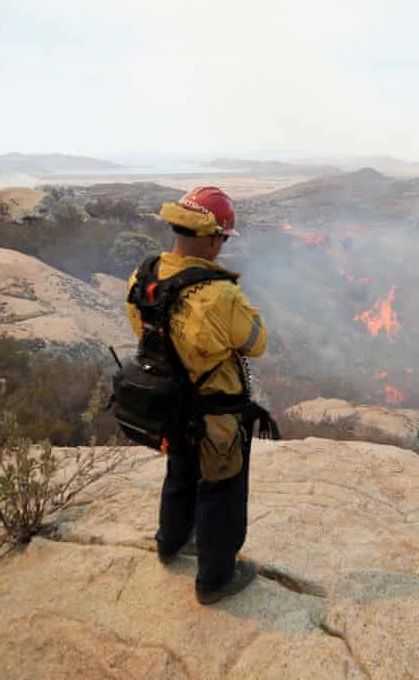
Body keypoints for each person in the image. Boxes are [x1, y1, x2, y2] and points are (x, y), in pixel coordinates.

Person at [124, 186, 267, 605]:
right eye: (222, 238)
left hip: (169, 401)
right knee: (221, 489)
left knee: (180, 472)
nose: (222, 246)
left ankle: (170, 542)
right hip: (214, 411)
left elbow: (143, 331)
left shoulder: (144, 275)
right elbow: (256, 342)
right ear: (210, 237)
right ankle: (216, 578)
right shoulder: (219, 293)